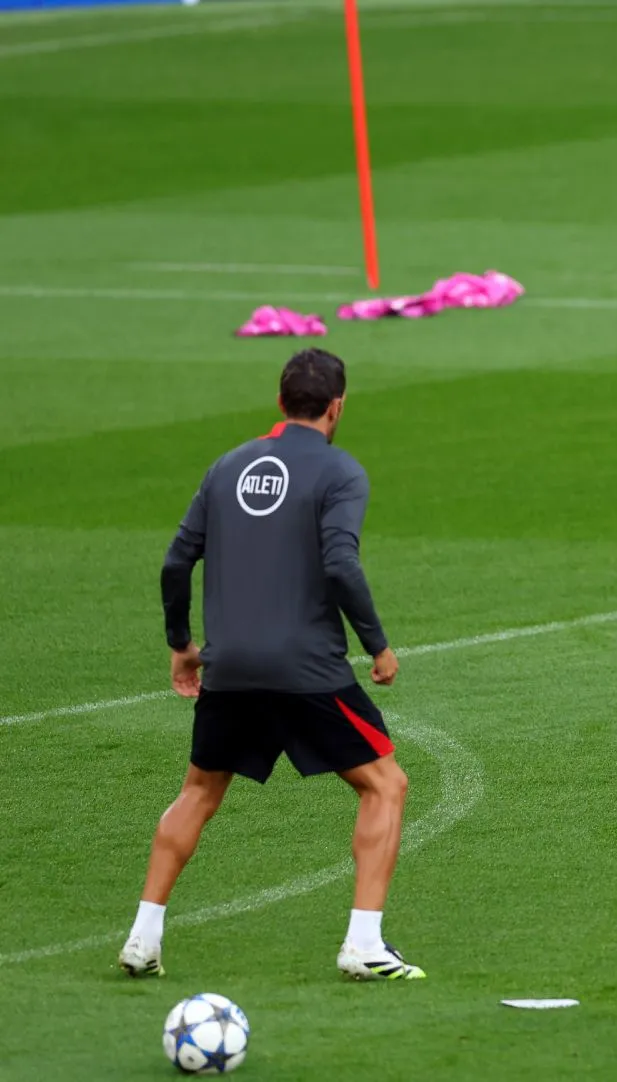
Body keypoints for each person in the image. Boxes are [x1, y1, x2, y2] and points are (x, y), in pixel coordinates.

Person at [120, 349, 424, 981]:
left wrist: (182, 643)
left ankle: (142, 937)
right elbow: (341, 564)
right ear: (337, 406)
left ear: (281, 402)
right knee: (385, 785)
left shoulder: (227, 466)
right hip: (307, 669)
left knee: (198, 792)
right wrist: (377, 645)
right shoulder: (340, 472)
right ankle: (365, 944)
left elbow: (176, 562)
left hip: (229, 668)